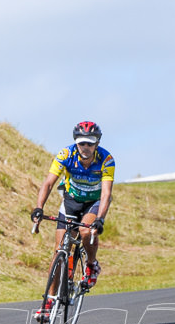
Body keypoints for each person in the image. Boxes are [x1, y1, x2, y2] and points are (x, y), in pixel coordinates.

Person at [30, 121, 116, 291]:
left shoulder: (106, 160)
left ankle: (91, 265)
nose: (85, 147)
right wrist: (39, 207)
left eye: (90, 143)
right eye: (81, 143)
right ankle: (48, 303)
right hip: (71, 201)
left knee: (85, 231)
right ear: (76, 142)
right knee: (59, 251)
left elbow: (106, 193)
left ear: (97, 143)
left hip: (94, 202)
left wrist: (100, 219)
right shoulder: (65, 155)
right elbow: (48, 183)